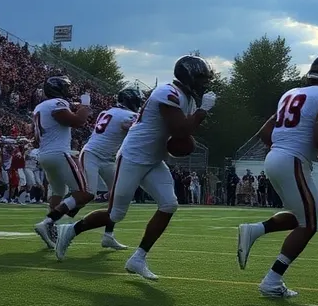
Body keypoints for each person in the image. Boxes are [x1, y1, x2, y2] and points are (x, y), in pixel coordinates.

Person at [56, 56, 216, 280]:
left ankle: (138, 258)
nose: (203, 83)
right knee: (115, 214)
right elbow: (180, 130)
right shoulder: (167, 92)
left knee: (169, 204)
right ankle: (71, 230)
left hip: (154, 160)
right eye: (200, 78)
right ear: (188, 76)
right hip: (133, 157)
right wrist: (203, 111)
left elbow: (183, 134)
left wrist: (189, 133)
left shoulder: (187, 98)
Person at [237, 54, 318, 297]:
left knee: (302, 217)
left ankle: (255, 230)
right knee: (310, 224)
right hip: (292, 160)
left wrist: (284, 148)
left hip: (275, 158)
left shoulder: (290, 93)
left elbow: (265, 132)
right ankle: (272, 281)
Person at [36, 86, 139, 251]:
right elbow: (130, 127)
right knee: (87, 193)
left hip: (106, 158)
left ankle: (108, 236)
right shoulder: (130, 115)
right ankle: (49, 221)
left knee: (117, 196)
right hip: (92, 155)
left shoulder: (108, 111)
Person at [31, 76, 92, 243]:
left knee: (58, 193)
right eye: (65, 87)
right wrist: (84, 108)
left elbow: (36, 138)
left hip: (44, 154)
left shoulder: (40, 107)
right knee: (85, 193)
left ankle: (51, 231)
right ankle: (48, 222)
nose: (68, 90)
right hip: (59, 153)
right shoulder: (57, 103)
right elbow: (77, 121)